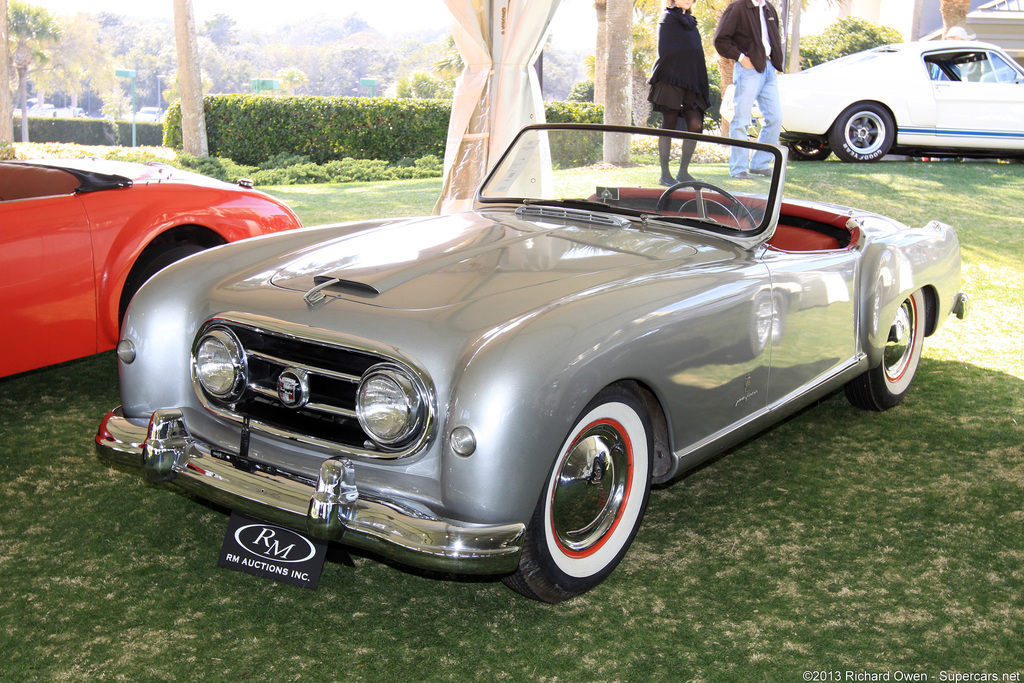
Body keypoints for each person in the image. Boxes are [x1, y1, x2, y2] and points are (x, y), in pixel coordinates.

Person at [713, 0, 784, 179]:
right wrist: (741, 58)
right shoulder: (738, 7)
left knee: (775, 118)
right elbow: (720, 39)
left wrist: (774, 62)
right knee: (741, 119)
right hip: (748, 70)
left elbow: (773, 38)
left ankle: (759, 164)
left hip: (769, 70)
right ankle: (738, 168)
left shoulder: (769, 8)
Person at [647, 0, 711, 186]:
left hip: (691, 80)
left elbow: (696, 53)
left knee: (696, 124)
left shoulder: (691, 21)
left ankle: (683, 172)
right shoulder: (667, 18)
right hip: (671, 77)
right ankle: (665, 174)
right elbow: (666, 49)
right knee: (669, 122)